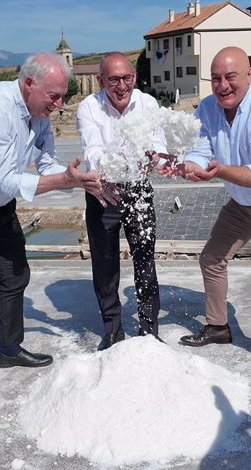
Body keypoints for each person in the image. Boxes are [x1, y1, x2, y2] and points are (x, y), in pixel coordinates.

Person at [0, 53, 103, 421]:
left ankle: (10, 349)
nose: (58, 106)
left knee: (15, 276)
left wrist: (74, 174)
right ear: (29, 84)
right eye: (54, 96)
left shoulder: (39, 113)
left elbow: (46, 161)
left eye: (62, 97)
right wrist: (65, 182)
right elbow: (7, 179)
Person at [160, 46, 251, 393]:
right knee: (212, 258)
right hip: (243, 201)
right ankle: (218, 327)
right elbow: (201, 150)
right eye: (216, 78)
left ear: (249, 74)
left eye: (230, 77)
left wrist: (219, 171)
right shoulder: (209, 108)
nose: (223, 85)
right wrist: (189, 167)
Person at [76, 51, 166, 350]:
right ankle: (113, 330)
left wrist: (156, 157)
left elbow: (158, 144)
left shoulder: (148, 103)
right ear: (101, 81)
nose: (122, 86)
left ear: (135, 78)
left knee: (145, 259)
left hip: (138, 189)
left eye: (127, 78)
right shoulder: (89, 107)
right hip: (104, 192)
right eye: (113, 80)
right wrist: (116, 165)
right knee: (105, 264)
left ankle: (149, 329)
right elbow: (93, 150)